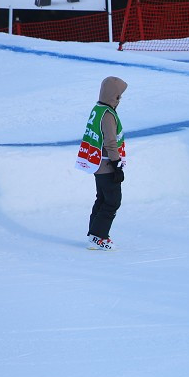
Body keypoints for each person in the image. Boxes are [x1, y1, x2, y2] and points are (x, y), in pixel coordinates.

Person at [84, 76, 127, 250]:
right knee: (112, 201)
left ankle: (94, 234)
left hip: (97, 163)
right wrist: (116, 164)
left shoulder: (98, 109)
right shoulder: (108, 115)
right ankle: (98, 236)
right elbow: (110, 142)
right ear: (114, 96)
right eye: (119, 95)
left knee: (102, 198)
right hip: (106, 164)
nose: (121, 99)